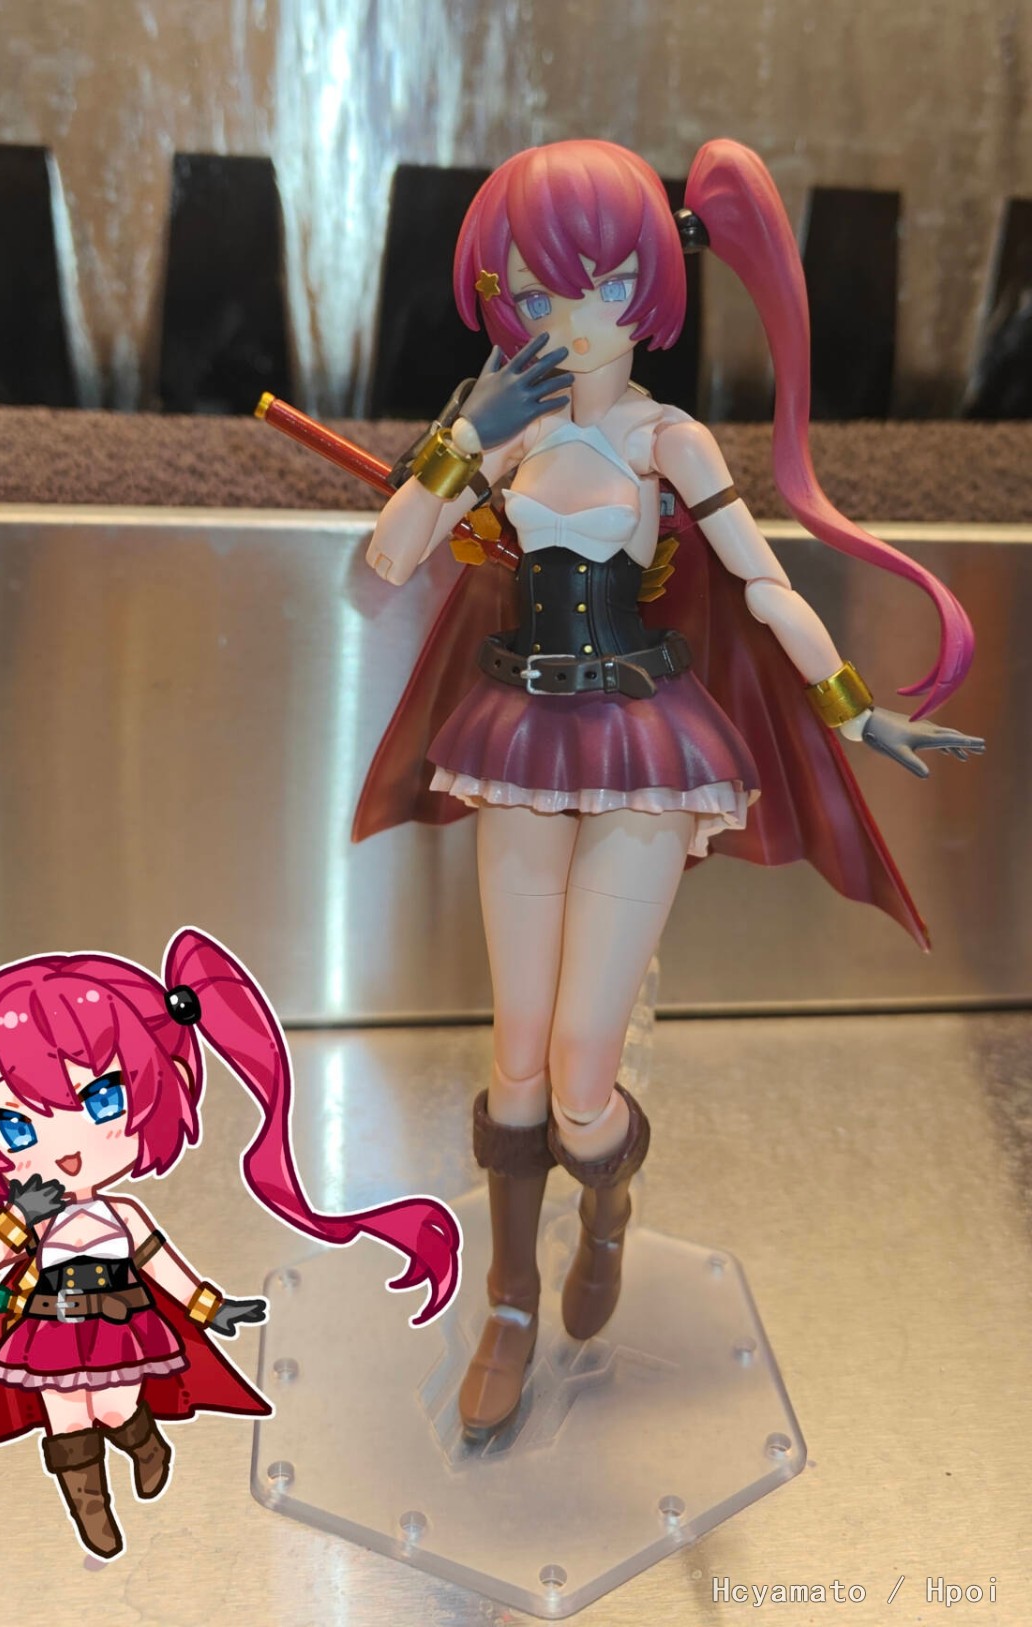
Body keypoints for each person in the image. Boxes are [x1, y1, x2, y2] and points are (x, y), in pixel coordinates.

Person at [355, 139, 982, 1437]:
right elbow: (389, 557)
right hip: (519, 737)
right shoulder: (509, 428)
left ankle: (609, 1198)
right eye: (531, 290)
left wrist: (855, 707)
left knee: (583, 1073)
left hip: (642, 743)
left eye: (591, 284)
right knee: (514, 1057)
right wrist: (464, 437)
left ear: (646, 288)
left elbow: (763, 583)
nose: (561, 317)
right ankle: (510, 1297)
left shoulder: (668, 437)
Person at [0, 926, 460, 1555]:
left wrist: (210, 1307)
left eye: (102, 1099)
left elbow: (161, 1263)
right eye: (16, 1124)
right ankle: (91, 1509)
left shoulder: (123, 1214)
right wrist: (20, 1217)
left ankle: (145, 1445)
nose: (68, 1147)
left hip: (120, 1323)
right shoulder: (38, 1217)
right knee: (67, 1418)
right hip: (49, 1327)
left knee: (114, 1408)